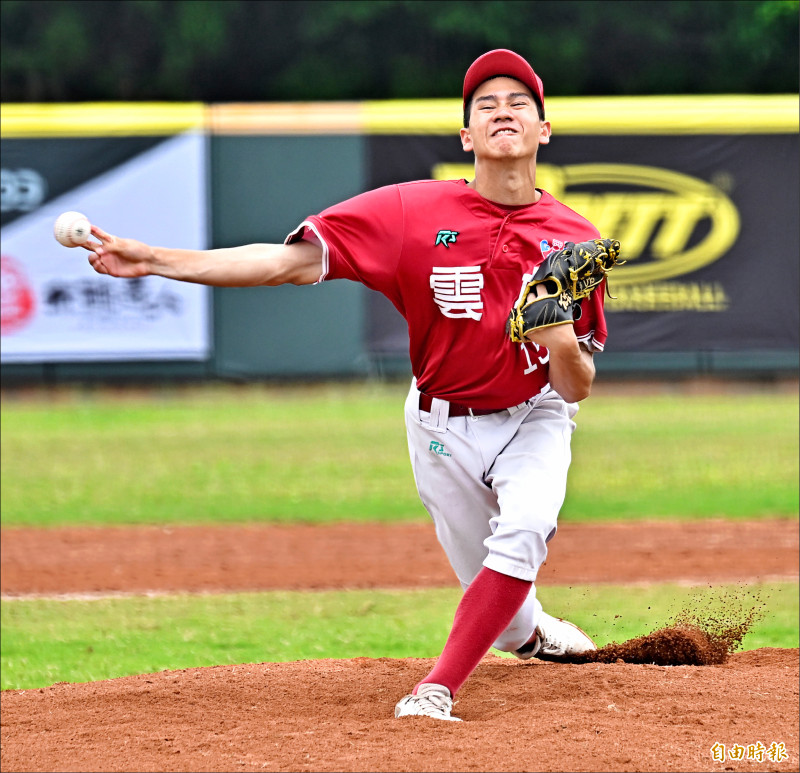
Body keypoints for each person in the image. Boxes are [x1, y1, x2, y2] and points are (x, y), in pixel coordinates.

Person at [83, 49, 605, 722]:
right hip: (441, 423)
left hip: (533, 414)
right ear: (467, 138)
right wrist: (156, 259)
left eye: (518, 103)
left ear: (544, 129)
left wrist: (560, 338)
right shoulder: (412, 213)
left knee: (526, 526)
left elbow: (577, 385)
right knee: (500, 610)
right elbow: (287, 263)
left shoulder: (576, 242)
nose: (503, 111)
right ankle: (530, 633)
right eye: (485, 105)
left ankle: (435, 688)